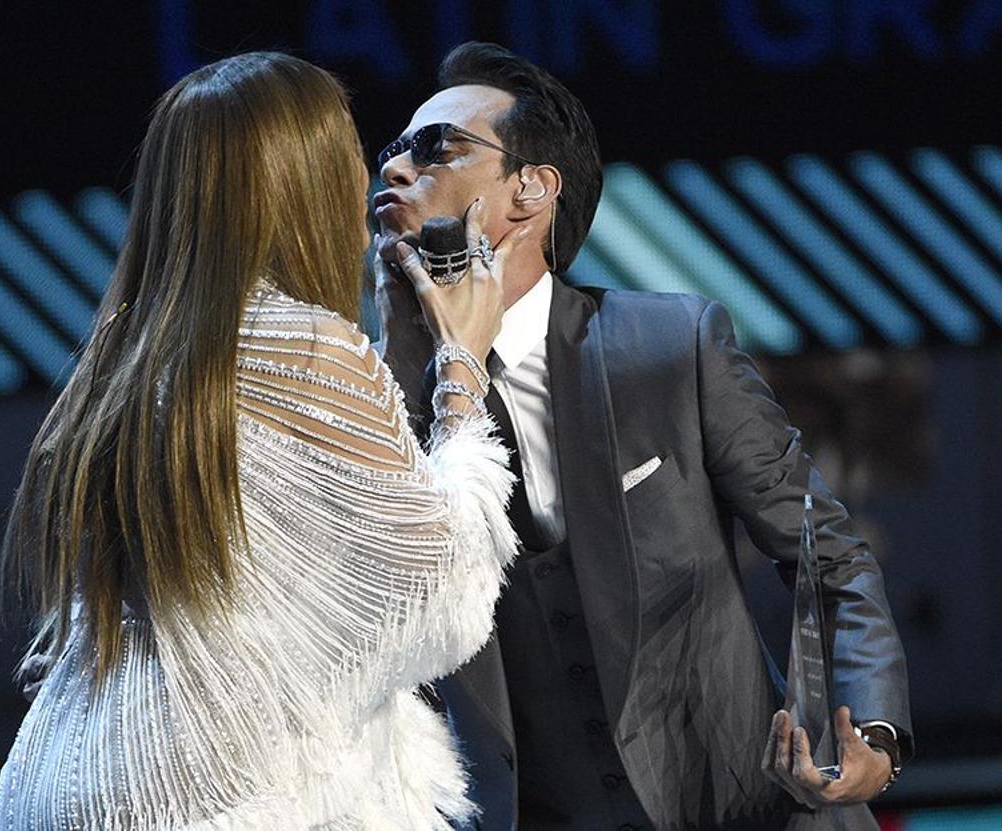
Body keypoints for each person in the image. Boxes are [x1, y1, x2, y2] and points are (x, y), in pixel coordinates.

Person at [373, 42, 912, 831]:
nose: (394, 169)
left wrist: (870, 730)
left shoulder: (667, 346)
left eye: (435, 149)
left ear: (530, 190)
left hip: (756, 814)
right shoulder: (382, 409)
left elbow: (827, 555)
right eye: (391, 151)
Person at [0, 51, 531, 829]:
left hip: (64, 783)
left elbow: (277, 551)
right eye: (349, 152)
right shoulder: (305, 347)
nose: (365, 177)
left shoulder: (122, 355)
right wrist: (461, 367)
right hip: (215, 794)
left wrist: (386, 367)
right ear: (302, 182)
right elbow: (443, 584)